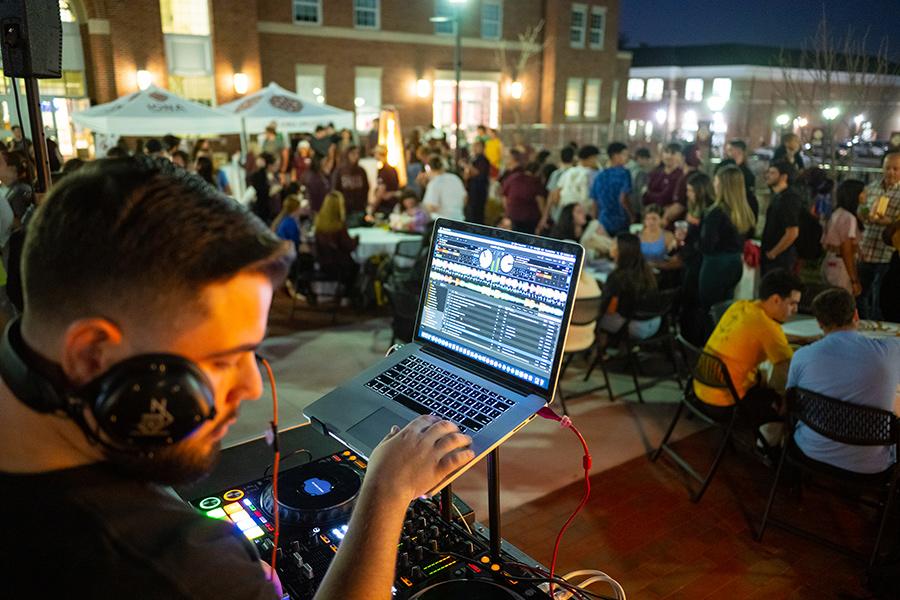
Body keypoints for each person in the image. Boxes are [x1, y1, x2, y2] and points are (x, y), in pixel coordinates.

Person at [0, 157, 474, 599]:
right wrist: (386, 493)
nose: (252, 387)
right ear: (90, 354)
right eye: (225, 358)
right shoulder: (175, 569)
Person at [788, 288, 900, 473]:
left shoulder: (802, 356)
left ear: (819, 322)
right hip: (870, 464)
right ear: (856, 315)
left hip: (811, 449)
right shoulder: (889, 352)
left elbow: (791, 401)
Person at [694, 269, 802, 441]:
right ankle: (769, 450)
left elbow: (762, 334)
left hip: (700, 391)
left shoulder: (740, 306)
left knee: (761, 377)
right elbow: (786, 375)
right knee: (794, 404)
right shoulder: (769, 330)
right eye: (792, 304)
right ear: (776, 299)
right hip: (725, 404)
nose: (795, 310)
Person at [699, 165, 756, 309]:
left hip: (715, 266)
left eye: (716, 181)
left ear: (722, 185)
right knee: (726, 308)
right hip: (735, 263)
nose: (714, 185)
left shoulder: (716, 213)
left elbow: (707, 245)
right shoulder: (744, 212)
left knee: (709, 309)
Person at [857, 152, 900, 320]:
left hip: (887, 254)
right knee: (860, 295)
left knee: (879, 297)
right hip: (866, 249)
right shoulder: (872, 188)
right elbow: (861, 210)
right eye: (888, 168)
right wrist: (864, 214)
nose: (891, 172)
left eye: (896, 169)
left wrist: (889, 222)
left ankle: (878, 328)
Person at [598, 233, 661, 344]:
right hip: (655, 322)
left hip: (635, 326)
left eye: (613, 244)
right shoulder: (646, 271)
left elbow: (606, 308)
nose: (610, 246)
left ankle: (602, 348)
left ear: (621, 250)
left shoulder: (617, 277)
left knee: (595, 318)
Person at [820, 179, 865, 295]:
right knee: (841, 300)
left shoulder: (837, 213)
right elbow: (846, 251)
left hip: (830, 261)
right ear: (854, 194)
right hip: (841, 265)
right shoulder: (849, 218)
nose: (866, 195)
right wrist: (854, 280)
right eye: (863, 192)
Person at [314, 191, 360, 293]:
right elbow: (349, 246)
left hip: (323, 263)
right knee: (358, 266)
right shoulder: (339, 227)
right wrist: (357, 240)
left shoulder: (318, 225)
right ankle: (348, 294)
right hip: (340, 266)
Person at [761, 161, 801, 276]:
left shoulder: (788, 199)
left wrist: (773, 253)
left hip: (780, 259)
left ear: (784, 177)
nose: (768, 175)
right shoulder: (779, 197)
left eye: (773, 173)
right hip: (774, 256)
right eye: (768, 172)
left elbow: (792, 232)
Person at [591, 142, 633, 236]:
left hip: (603, 221)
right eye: (624, 154)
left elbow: (595, 203)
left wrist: (594, 221)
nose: (627, 157)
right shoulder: (624, 173)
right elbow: (623, 200)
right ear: (615, 156)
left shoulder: (599, 176)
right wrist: (632, 215)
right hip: (620, 221)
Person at [500, 152, 545, 234]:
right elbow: (540, 201)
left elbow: (504, 197)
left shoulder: (512, 178)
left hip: (512, 216)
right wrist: (544, 218)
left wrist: (508, 212)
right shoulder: (535, 182)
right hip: (529, 219)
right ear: (537, 173)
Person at [715, 140, 758, 220]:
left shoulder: (746, 174)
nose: (727, 153)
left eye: (730, 150)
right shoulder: (726, 167)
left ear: (739, 151)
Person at [643, 143, 684, 224]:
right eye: (666, 152)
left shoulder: (681, 177)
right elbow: (645, 196)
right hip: (650, 219)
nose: (668, 156)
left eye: (673, 153)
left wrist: (652, 196)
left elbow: (674, 201)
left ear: (680, 156)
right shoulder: (654, 173)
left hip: (670, 222)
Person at [331, 146, 370, 226]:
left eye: (358, 153)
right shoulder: (339, 171)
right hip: (345, 210)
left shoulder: (361, 171)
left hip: (359, 209)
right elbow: (335, 190)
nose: (356, 156)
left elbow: (366, 188)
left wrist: (364, 204)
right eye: (353, 154)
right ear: (347, 155)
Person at [422, 155, 466, 221]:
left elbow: (431, 207)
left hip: (443, 221)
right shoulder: (455, 178)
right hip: (459, 219)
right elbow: (465, 198)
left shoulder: (434, 183)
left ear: (428, 168)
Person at [247, 152, 282, 225]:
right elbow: (261, 192)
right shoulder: (259, 176)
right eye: (275, 165)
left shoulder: (276, 175)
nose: (277, 167)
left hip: (276, 209)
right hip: (265, 210)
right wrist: (273, 190)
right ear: (269, 165)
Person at [464, 140, 490, 224]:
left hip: (479, 191)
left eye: (477, 146)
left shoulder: (483, 160)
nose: (475, 148)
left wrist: (467, 166)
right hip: (472, 190)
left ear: (482, 148)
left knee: (477, 214)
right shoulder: (473, 159)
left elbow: (478, 172)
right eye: (474, 146)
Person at [371, 145, 401, 215]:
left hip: (385, 207)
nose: (374, 155)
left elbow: (381, 191)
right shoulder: (393, 169)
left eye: (375, 153)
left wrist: (373, 207)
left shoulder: (383, 171)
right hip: (393, 205)